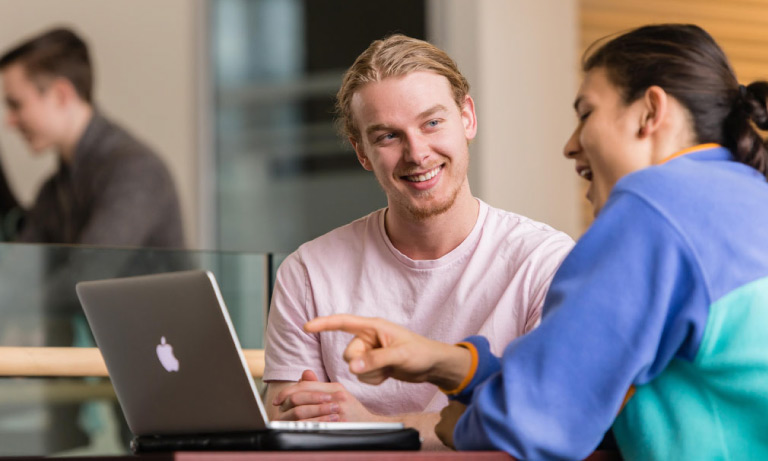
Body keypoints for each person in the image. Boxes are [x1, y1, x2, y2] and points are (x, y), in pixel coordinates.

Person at [305, 24, 768, 460]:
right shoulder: (746, 196)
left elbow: (538, 421)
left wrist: (457, 425)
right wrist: (447, 363)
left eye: (586, 112)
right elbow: (587, 383)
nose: (570, 144)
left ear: (650, 112)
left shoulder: (652, 209)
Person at [263, 34, 574, 447]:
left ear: (467, 118)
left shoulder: (545, 261)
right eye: (387, 136)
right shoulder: (308, 271)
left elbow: (545, 418)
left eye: (431, 123)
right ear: (362, 152)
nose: (417, 152)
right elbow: (286, 422)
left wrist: (369, 426)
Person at [0, 27, 184, 248]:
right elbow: (15, 273)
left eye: (16, 104)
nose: (9, 121)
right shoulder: (53, 192)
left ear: (60, 95)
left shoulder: (136, 171)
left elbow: (86, 275)